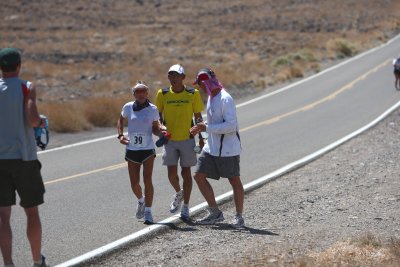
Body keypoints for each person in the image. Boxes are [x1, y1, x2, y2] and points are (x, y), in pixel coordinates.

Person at [0, 48, 50, 267]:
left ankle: (8, 263)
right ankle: (37, 261)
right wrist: (41, 122)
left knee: (3, 217)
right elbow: (31, 119)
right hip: (24, 158)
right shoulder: (26, 87)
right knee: (31, 212)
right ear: (19, 66)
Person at [190, 68, 245, 228]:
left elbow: (231, 126)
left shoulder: (225, 99)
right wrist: (202, 129)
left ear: (206, 82)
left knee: (234, 180)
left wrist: (206, 128)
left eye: (200, 83)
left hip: (228, 149)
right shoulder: (211, 97)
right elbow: (214, 123)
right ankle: (215, 213)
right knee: (199, 175)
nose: (199, 87)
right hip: (211, 148)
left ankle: (239, 216)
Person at [155, 64, 204, 220]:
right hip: (169, 140)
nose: (173, 78)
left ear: (182, 77)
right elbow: (157, 116)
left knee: (186, 173)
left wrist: (202, 138)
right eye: (170, 75)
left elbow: (198, 117)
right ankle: (179, 192)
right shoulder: (162, 94)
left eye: (176, 75)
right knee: (171, 174)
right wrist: (161, 127)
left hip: (187, 139)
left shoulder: (192, 93)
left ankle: (186, 207)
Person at [117, 81, 163, 225]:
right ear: (134, 94)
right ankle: (141, 200)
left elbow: (155, 128)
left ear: (147, 93)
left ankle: (148, 212)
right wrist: (120, 135)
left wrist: (161, 134)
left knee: (147, 180)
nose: (141, 93)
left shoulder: (153, 109)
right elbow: (120, 120)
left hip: (148, 149)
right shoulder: (128, 107)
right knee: (134, 183)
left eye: (143, 91)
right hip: (132, 149)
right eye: (138, 91)